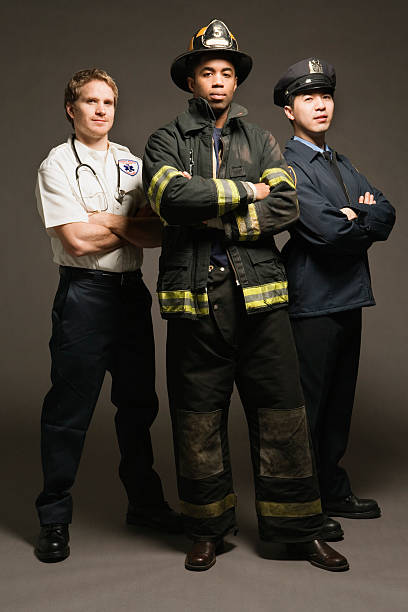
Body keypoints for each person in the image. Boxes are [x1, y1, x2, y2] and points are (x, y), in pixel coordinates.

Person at [143, 20, 349, 572]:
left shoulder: (260, 139)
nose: (217, 82)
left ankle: (299, 531)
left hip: (260, 296)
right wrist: (243, 192)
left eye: (226, 73)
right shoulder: (165, 139)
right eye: (206, 72)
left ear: (236, 83)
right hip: (194, 301)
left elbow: (286, 204)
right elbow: (167, 196)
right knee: (198, 418)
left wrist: (218, 221)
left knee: (282, 414)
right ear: (191, 80)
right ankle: (207, 530)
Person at [34, 68, 181, 563]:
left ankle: (145, 504)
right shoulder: (56, 164)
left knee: (139, 405)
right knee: (69, 409)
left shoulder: (131, 162)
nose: (101, 110)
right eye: (90, 102)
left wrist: (104, 219)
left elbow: (160, 232)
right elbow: (75, 240)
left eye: (108, 103)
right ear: (71, 109)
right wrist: (128, 225)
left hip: (130, 293)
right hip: (84, 297)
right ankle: (54, 516)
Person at [273, 58, 395, 525]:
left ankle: (332, 490)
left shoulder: (340, 162)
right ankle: (302, 503)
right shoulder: (288, 167)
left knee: (340, 400)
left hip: (350, 297)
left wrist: (357, 215)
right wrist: (354, 216)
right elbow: (326, 233)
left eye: (324, 96)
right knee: (308, 408)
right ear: (289, 110)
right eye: (307, 98)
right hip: (312, 302)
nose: (320, 105)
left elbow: (385, 213)